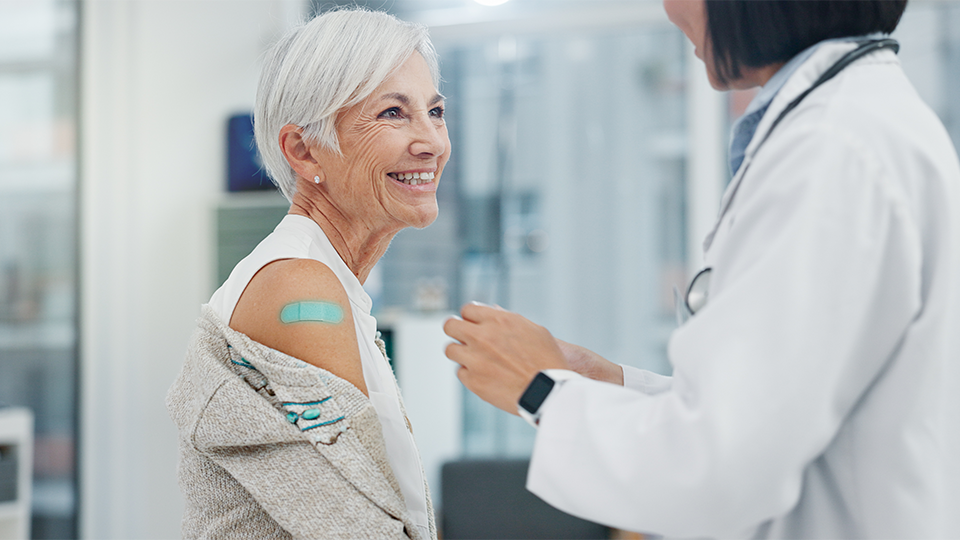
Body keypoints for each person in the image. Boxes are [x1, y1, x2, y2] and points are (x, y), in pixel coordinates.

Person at [443, 0, 960, 538]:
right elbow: (770, 412)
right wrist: (607, 383)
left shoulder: (831, 152)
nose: (669, 9)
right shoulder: (858, 126)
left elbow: (720, 468)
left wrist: (540, 392)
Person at [166, 8, 449, 539]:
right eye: (393, 113)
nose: (430, 140)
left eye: (435, 111)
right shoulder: (299, 289)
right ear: (302, 149)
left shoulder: (334, 287)